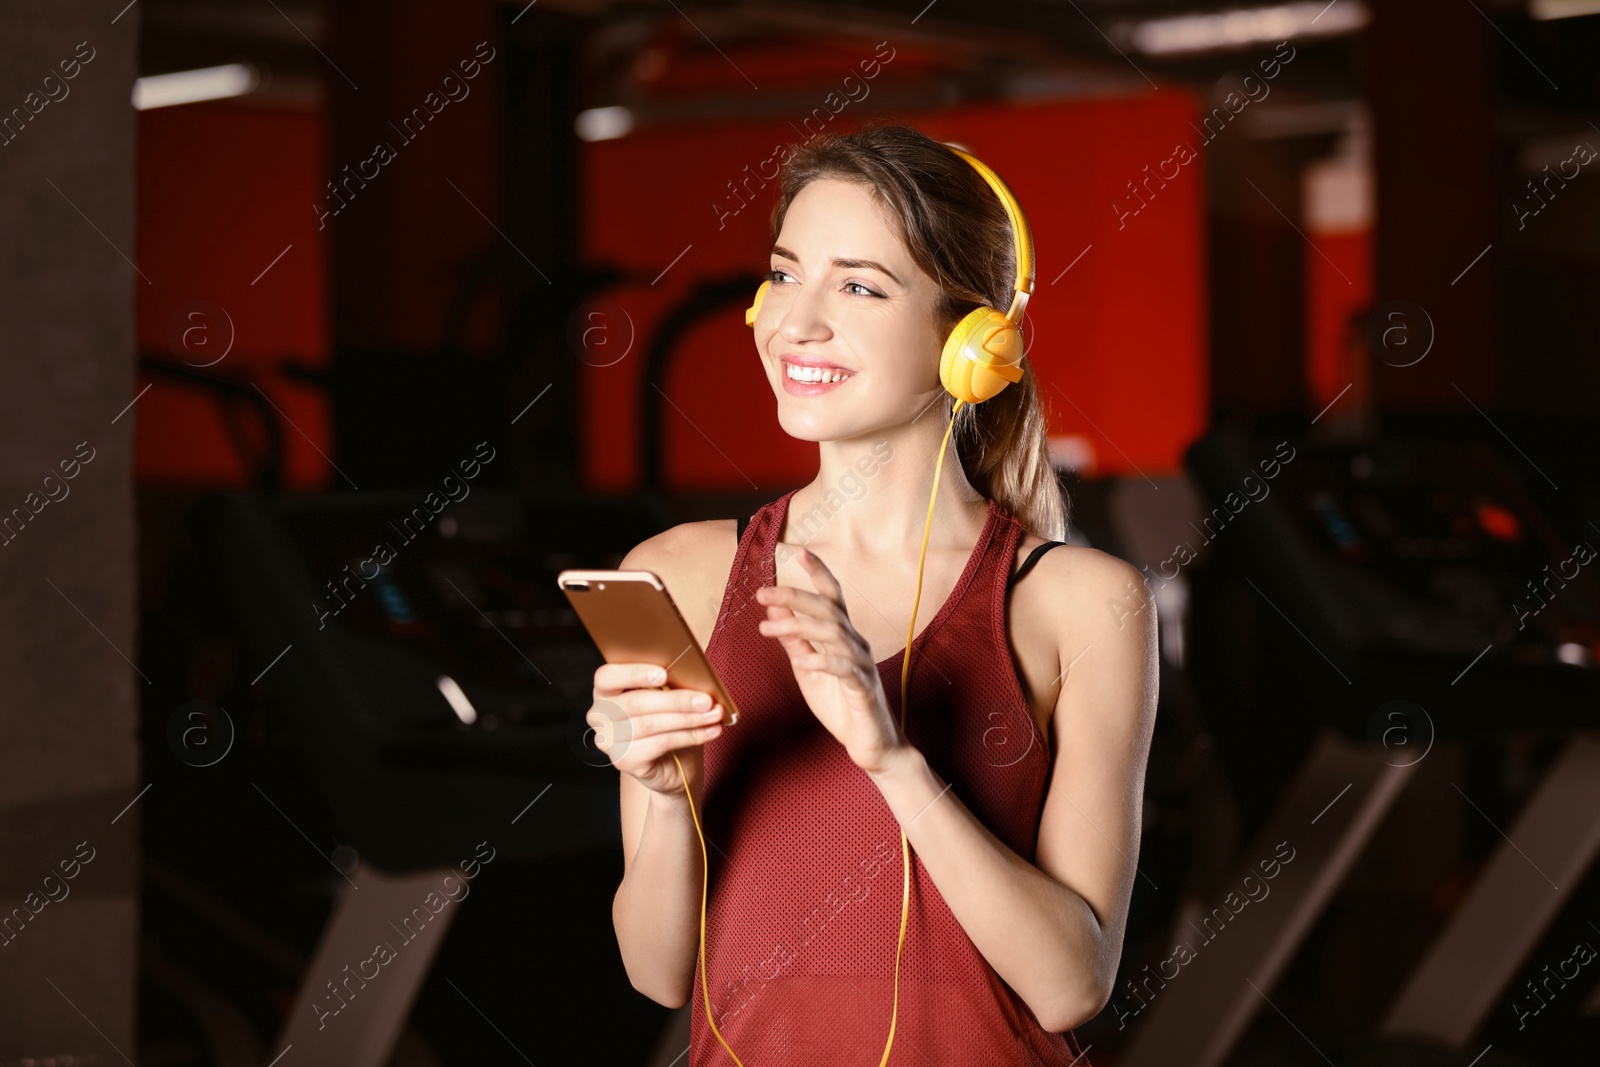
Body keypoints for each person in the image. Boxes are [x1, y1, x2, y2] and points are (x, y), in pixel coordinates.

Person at [586, 122, 1158, 1065]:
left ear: (972, 340)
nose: (795, 321)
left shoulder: (1080, 603)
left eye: (857, 285)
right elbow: (656, 970)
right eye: (784, 273)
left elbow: (1072, 984)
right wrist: (668, 791)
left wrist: (890, 755)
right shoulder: (680, 575)